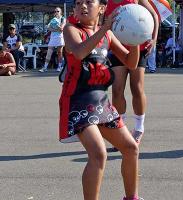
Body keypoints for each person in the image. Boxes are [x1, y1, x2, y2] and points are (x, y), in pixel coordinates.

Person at [60, 0, 142, 199]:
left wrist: (136, 37)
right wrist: (105, 27)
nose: (83, 6)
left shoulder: (108, 35)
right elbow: (79, 52)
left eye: (89, 2)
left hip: (101, 102)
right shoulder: (71, 30)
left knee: (131, 148)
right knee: (98, 154)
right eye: (79, 3)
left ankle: (132, 198)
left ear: (102, 8)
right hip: (77, 102)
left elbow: (131, 63)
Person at [105, 0, 159, 146]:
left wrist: (153, 39)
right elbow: (103, 21)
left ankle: (139, 128)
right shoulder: (107, 2)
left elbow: (154, 15)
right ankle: (120, 130)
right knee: (117, 90)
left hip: (138, 47)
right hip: (116, 48)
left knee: (137, 88)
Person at [39, 7, 66, 72]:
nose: (56, 13)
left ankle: (60, 67)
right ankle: (45, 67)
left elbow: (61, 29)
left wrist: (56, 25)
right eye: (55, 11)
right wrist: (56, 29)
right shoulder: (52, 19)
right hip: (53, 38)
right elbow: (49, 28)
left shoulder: (63, 19)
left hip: (60, 38)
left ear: (61, 12)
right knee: (49, 52)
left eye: (57, 11)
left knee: (60, 53)